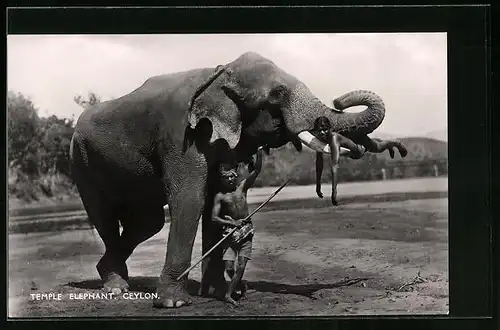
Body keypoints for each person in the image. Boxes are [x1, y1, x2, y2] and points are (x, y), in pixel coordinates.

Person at [211, 149, 263, 306]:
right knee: (228, 268)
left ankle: (228, 294)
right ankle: (241, 285)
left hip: (246, 232)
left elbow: (257, 170)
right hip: (230, 233)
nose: (231, 179)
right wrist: (232, 223)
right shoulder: (220, 196)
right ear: (222, 179)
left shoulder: (242, 187)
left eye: (233, 175)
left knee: (240, 266)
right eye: (227, 177)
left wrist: (259, 153)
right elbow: (214, 218)